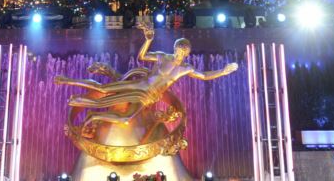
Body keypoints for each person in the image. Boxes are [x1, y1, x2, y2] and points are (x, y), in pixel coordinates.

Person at [54, 20, 237, 129]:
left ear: (187, 53)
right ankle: (67, 80)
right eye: (178, 49)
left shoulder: (186, 68)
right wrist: (148, 40)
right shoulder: (162, 57)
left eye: (183, 51)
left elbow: (204, 76)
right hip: (141, 84)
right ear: (174, 48)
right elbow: (141, 56)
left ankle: (93, 116)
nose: (180, 53)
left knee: (126, 120)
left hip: (150, 96)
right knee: (103, 88)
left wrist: (222, 71)